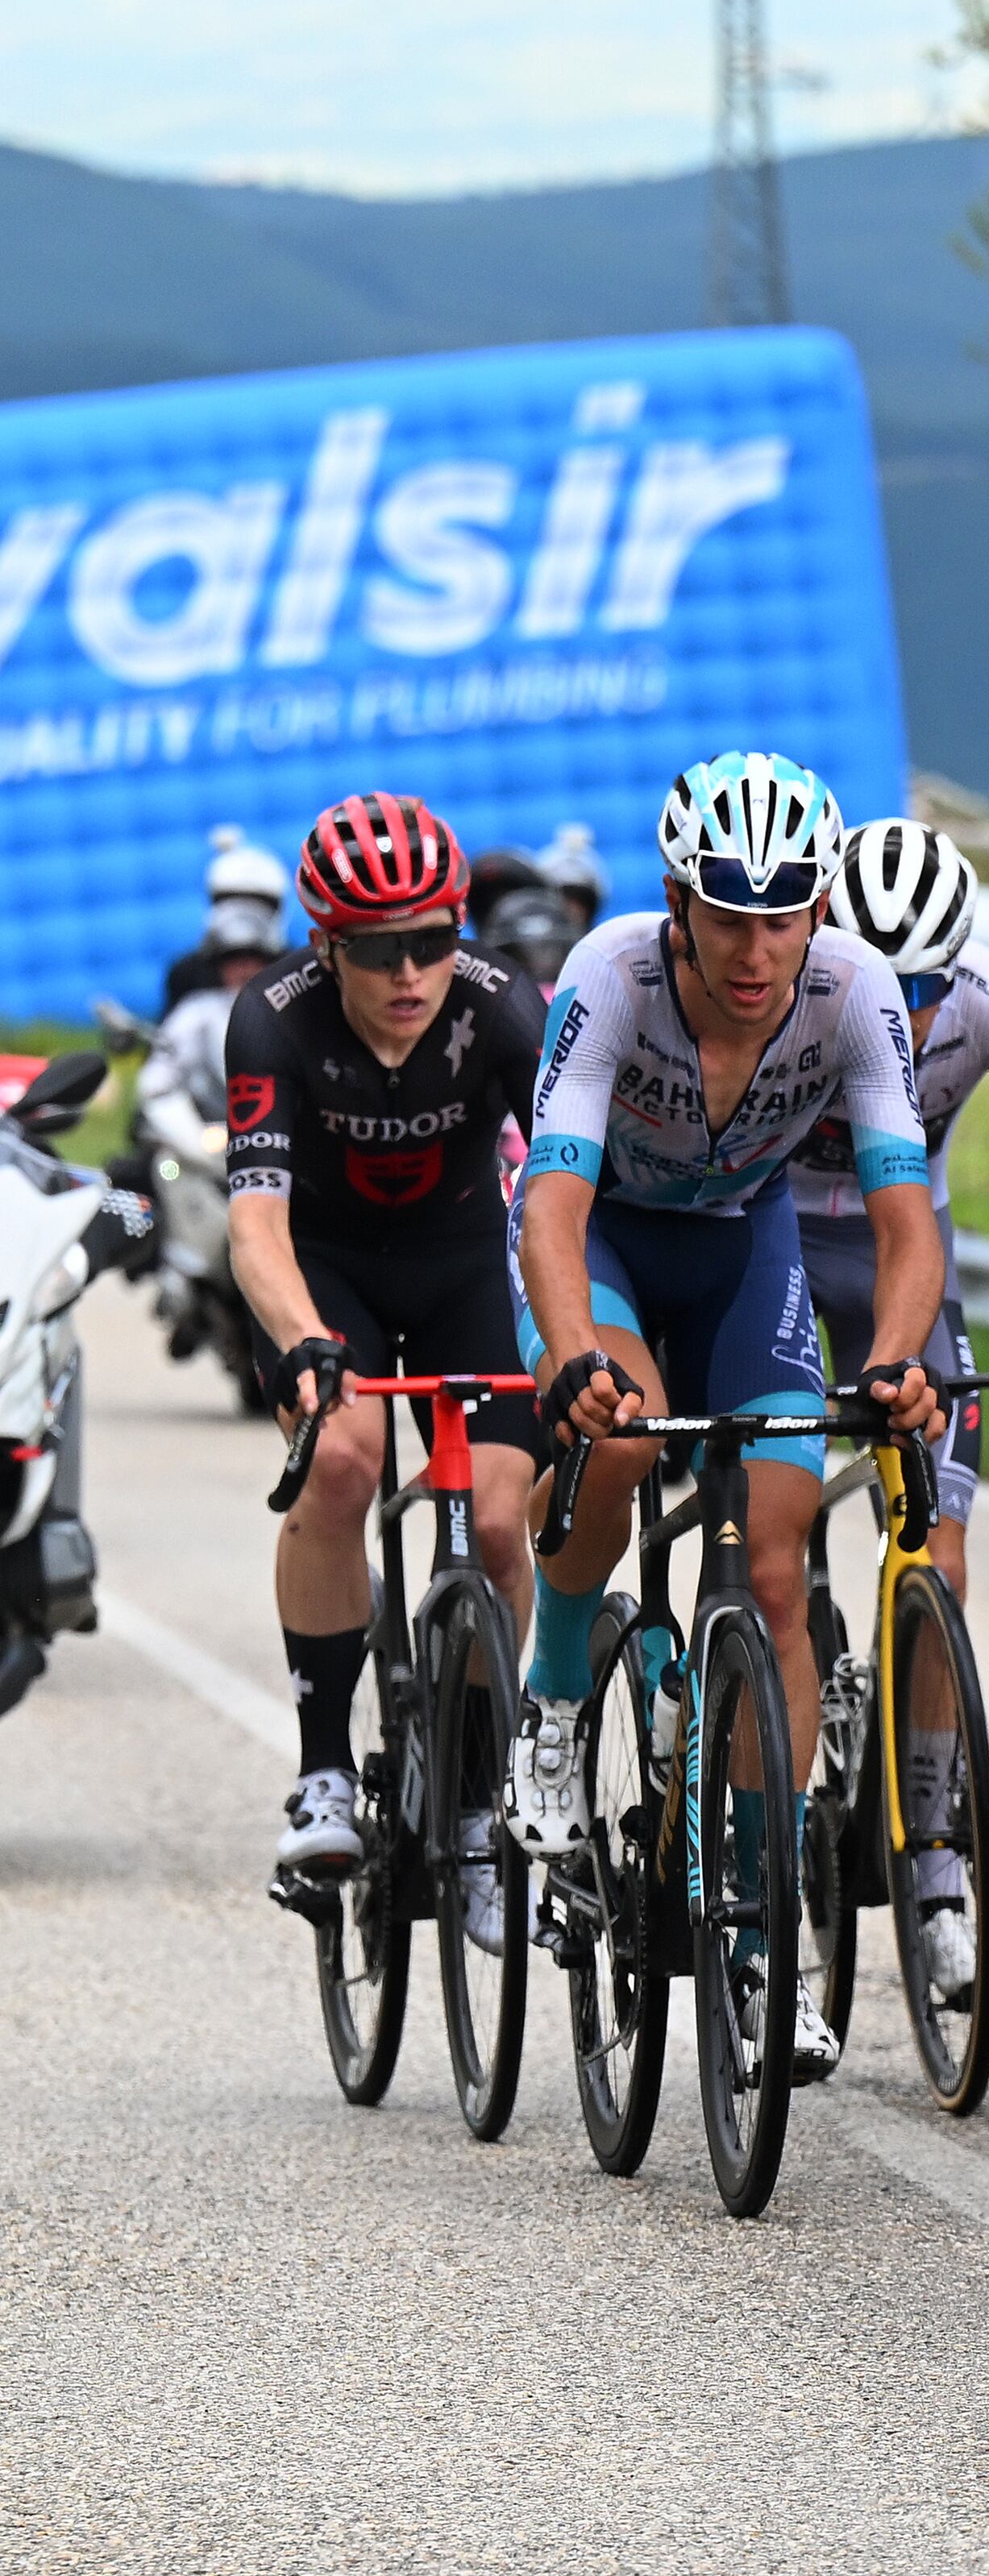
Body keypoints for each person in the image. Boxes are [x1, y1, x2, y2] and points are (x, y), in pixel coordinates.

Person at [511, 751, 950, 2087]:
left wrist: (887, 1361)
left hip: (742, 1242)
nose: (760, 949)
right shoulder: (610, 974)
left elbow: (904, 1217)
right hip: (609, 1247)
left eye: (786, 914)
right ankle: (556, 1677)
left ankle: (764, 1931)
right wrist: (576, 1354)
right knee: (625, 1435)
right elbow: (550, 1203)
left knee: (779, 1549)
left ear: (819, 907)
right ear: (676, 903)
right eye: (730, 915)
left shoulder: (855, 988)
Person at [796, 819, 989, 1998]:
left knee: (942, 1554)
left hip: (898, 1252)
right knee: (771, 1523)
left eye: (928, 984)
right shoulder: (793, 980)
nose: (911, 1008)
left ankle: (932, 1862)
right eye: (888, 980)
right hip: (775, 1236)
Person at [226, 794, 546, 1910]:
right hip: (329, 1273)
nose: (412, 973)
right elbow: (255, 1223)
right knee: (344, 1460)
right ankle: (323, 1771)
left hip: (464, 1266)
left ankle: (468, 1797)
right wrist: (306, 1340)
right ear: (327, 946)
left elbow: (559, 1190)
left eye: (434, 941)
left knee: (501, 1520)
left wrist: (576, 1329)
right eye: (379, 950)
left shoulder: (506, 1008)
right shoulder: (273, 1018)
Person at [163, 831, 293, 1011]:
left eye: (258, 903)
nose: (243, 915)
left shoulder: (293, 970)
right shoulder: (188, 975)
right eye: (229, 901)